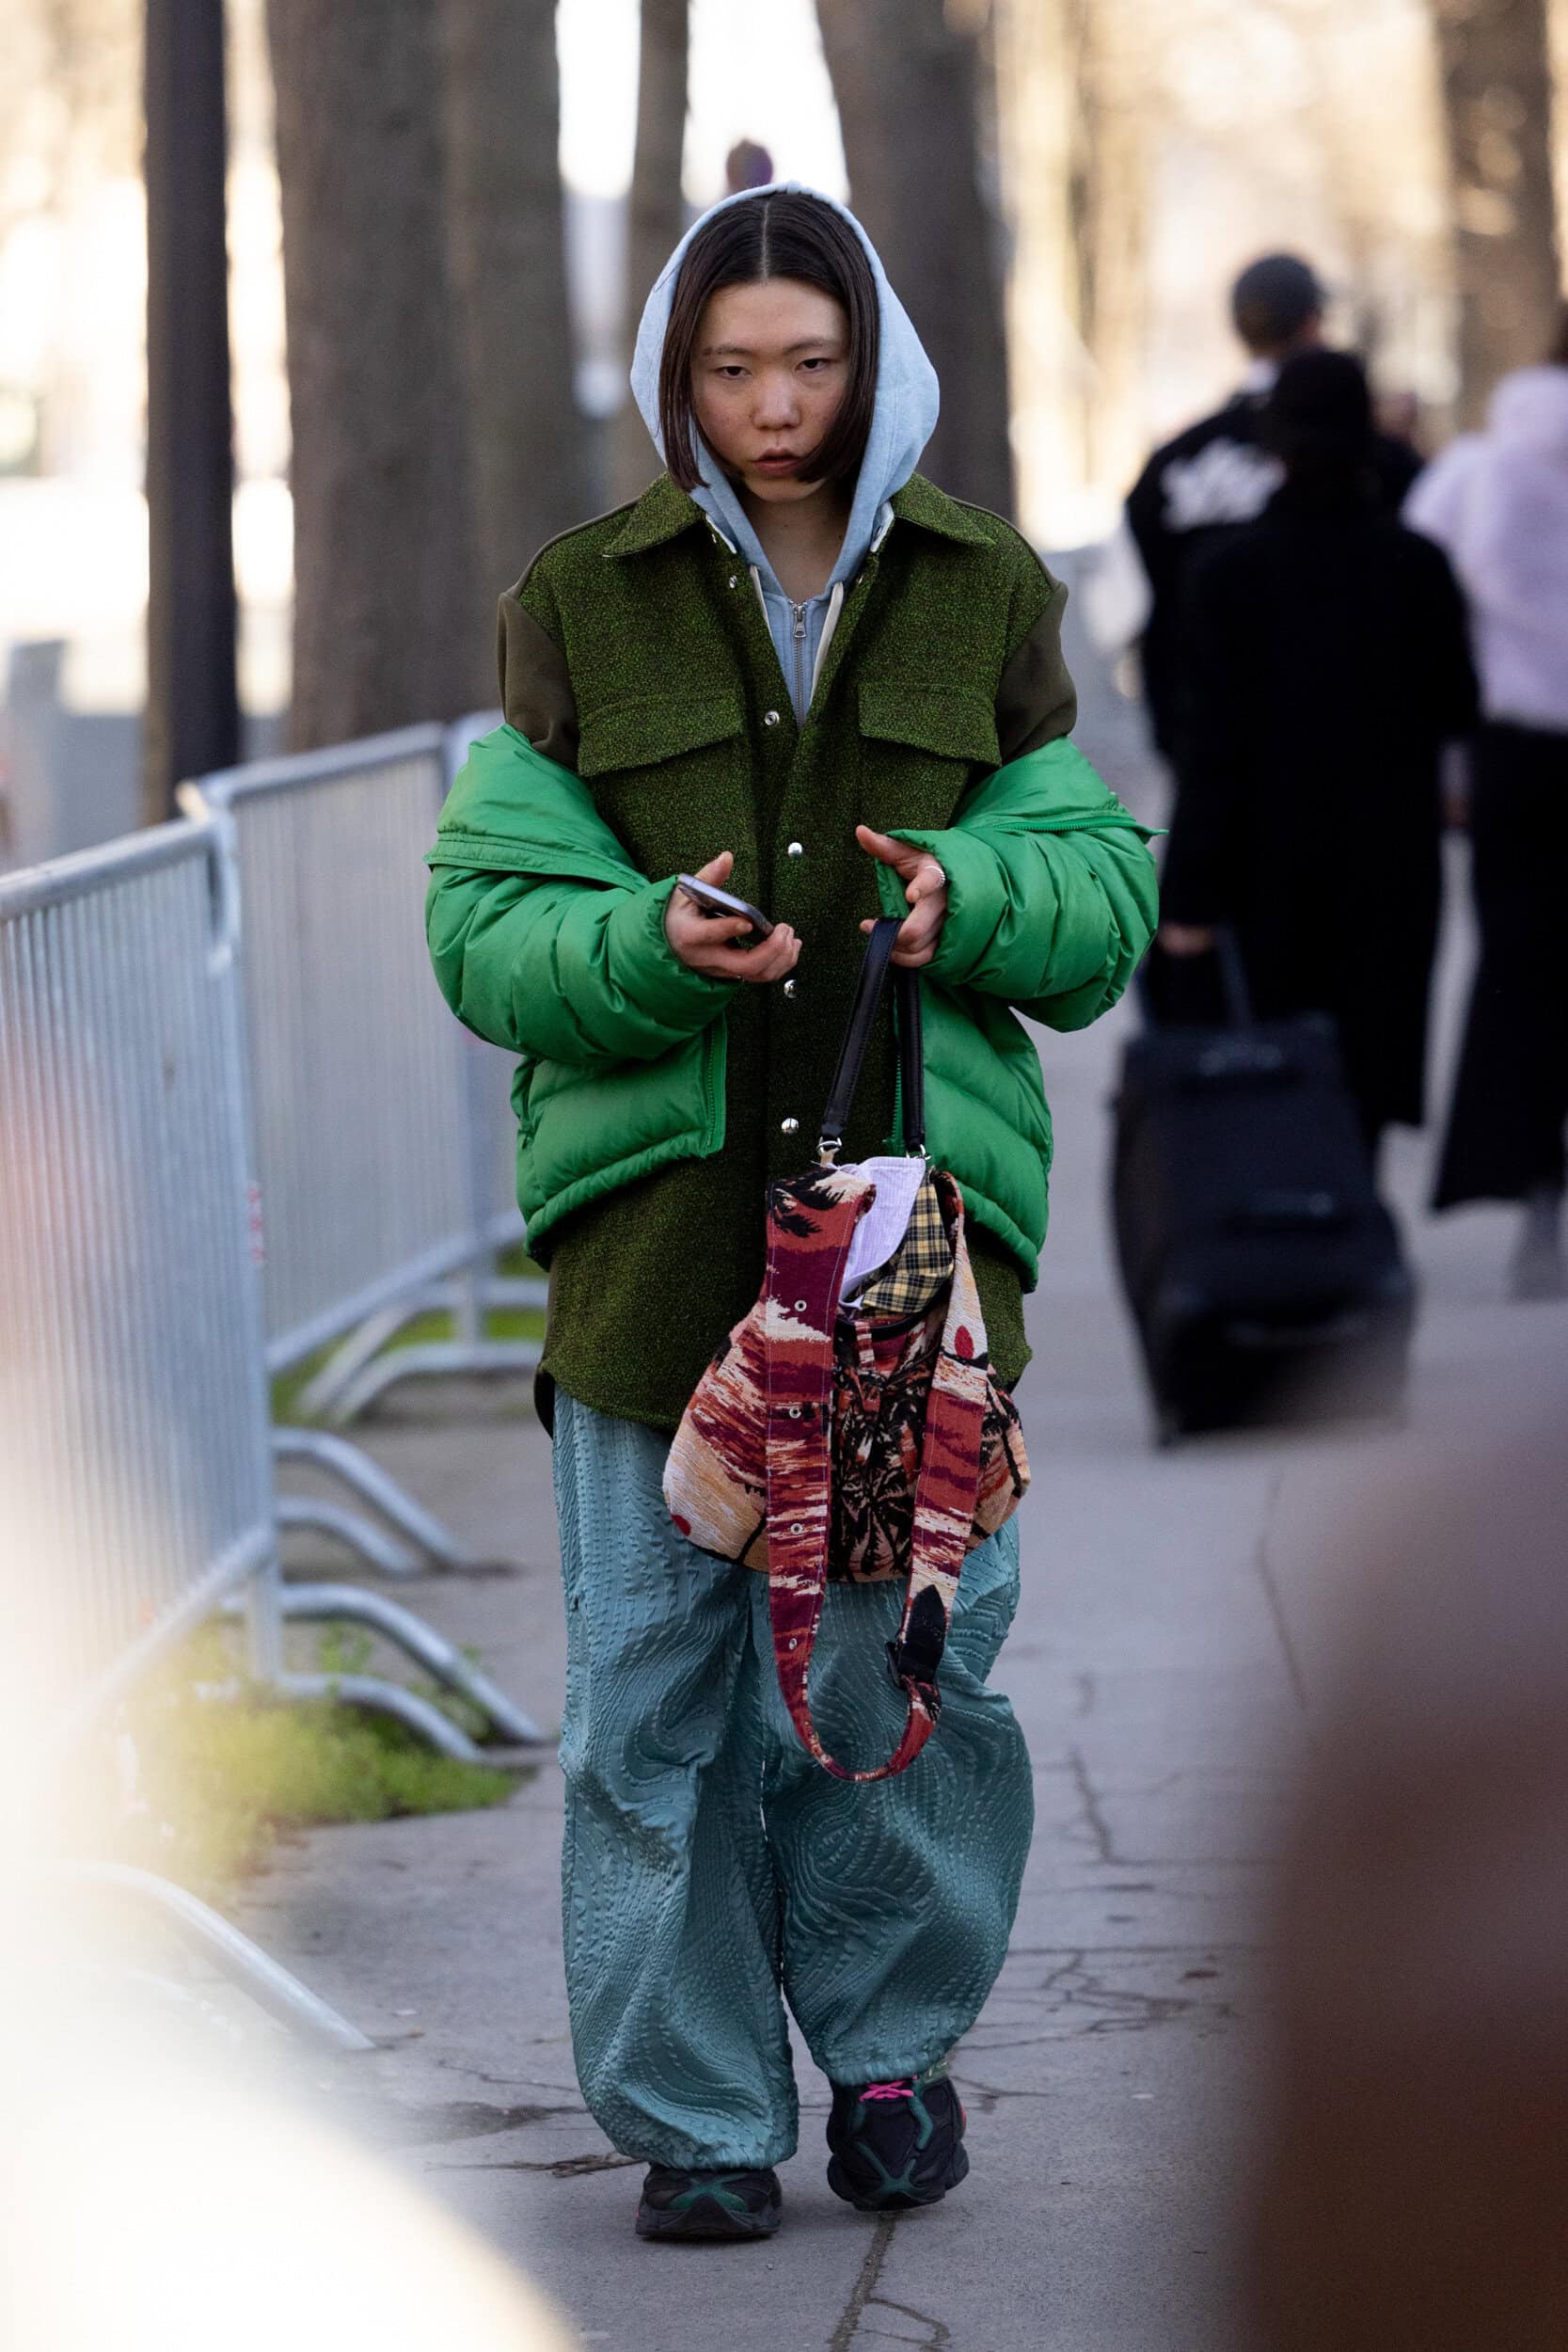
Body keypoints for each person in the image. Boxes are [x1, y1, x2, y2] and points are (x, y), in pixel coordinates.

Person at [426, 184, 1155, 2243]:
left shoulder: (979, 589)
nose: (771, 405)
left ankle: (894, 2059)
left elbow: (1087, 881)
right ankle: (696, 2116)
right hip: (658, 1258)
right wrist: (649, 938)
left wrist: (968, 893)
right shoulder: (583, 597)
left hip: (907, 1262)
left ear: (874, 365)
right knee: (650, 1698)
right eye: (731, 367)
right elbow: (484, 921)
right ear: (679, 372)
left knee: (896, 1681)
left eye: (809, 365)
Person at [1156, 349, 1477, 1162]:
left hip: (1267, 868)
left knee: (1279, 1064)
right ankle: (1358, 1230)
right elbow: (1458, 705)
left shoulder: (1226, 573)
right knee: (1368, 1059)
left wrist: (1186, 898)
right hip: (1391, 861)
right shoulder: (1416, 567)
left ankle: (1295, 1232)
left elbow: (1212, 753)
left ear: (1276, 445)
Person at [1405, 310, 1568, 1298]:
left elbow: (1420, 597)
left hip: (1511, 754)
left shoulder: (1480, 467)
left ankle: (1530, 1188)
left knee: (1516, 963)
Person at [1126, 254, 1422, 764]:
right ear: (1312, 323)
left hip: (1217, 748)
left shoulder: (1175, 464)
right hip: (1363, 748)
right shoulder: (1375, 459)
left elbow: (1132, 606)